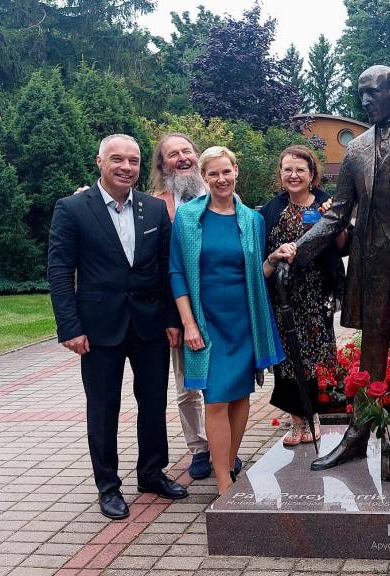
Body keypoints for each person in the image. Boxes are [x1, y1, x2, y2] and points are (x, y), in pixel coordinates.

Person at [274, 65, 390, 471]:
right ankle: (359, 432)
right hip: (371, 268)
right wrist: (298, 249)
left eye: (372, 92)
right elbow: (337, 215)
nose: (365, 100)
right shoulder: (356, 150)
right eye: (361, 93)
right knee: (372, 348)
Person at [48, 134, 188, 520]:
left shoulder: (153, 209)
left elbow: (166, 268)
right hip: (98, 328)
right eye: (117, 159)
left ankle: (151, 473)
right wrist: (70, 327)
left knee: (154, 403)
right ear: (100, 162)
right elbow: (59, 271)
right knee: (103, 407)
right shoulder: (72, 209)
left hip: (150, 326)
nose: (126, 167)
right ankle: (108, 486)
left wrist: (172, 320)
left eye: (134, 160)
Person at [170, 146, 285, 494]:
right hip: (207, 323)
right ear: (204, 177)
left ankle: (229, 466)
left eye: (226, 171)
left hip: (245, 320)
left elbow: (255, 273)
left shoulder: (252, 220)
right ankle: (223, 483)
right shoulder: (188, 217)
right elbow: (176, 272)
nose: (221, 179)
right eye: (213, 173)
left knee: (239, 396)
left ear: (236, 171)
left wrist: (273, 259)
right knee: (216, 398)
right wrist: (188, 323)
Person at [260, 145, 347, 445]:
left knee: (311, 357)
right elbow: (261, 253)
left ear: (312, 174)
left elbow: (343, 246)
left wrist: (334, 219)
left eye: (300, 170)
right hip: (283, 298)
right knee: (285, 359)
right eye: (288, 169)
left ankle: (313, 417)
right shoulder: (272, 209)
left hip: (315, 296)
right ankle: (296, 420)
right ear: (281, 174)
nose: (293, 175)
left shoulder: (325, 204)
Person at [147, 133, 217, 481]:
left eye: (186, 151)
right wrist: (171, 318)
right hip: (179, 311)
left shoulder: (221, 193)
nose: (182, 158)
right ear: (163, 165)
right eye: (172, 154)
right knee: (187, 385)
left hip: (219, 307)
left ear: (197, 154)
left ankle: (224, 446)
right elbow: (156, 267)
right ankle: (199, 449)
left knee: (220, 382)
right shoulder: (156, 206)